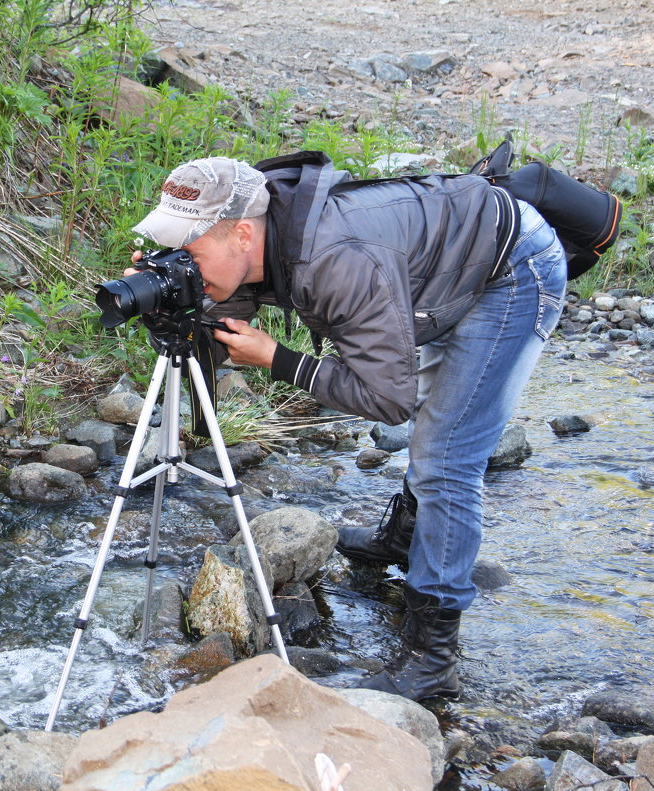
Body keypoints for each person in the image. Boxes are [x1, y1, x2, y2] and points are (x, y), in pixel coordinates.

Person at [129, 153, 567, 701]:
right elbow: (217, 329)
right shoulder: (265, 241)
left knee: (447, 458)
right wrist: (170, 300)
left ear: (242, 233)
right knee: (438, 429)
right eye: (173, 250)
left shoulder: (336, 260)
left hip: (511, 268)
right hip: (442, 260)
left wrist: (279, 359)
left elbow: (388, 399)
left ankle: (432, 657)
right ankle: (408, 537)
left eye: (188, 252)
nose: (182, 263)